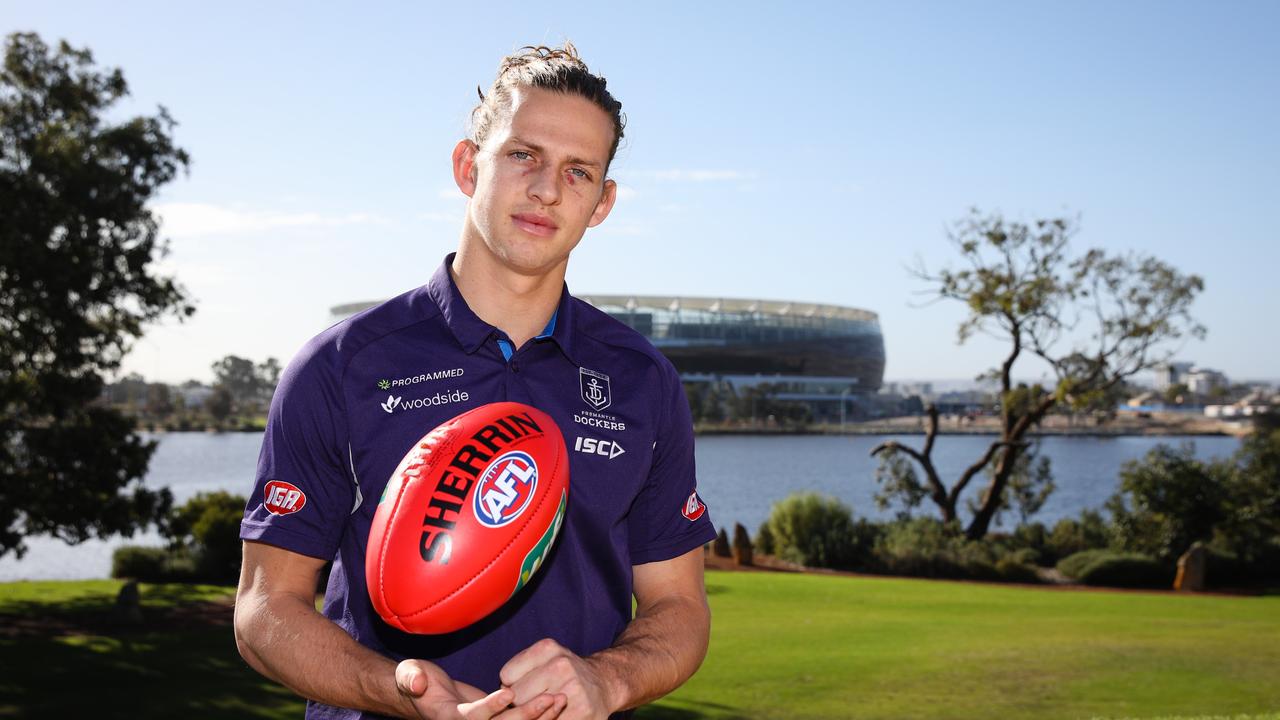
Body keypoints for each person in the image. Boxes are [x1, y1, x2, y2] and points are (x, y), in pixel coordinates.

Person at [234, 43, 718, 720]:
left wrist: (607, 682)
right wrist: (396, 690)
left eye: (578, 172)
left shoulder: (642, 381)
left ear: (602, 203)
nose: (547, 190)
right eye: (523, 155)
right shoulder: (342, 365)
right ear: (469, 166)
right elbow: (264, 610)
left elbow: (679, 606)